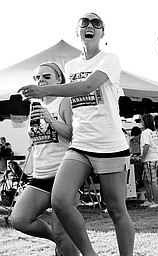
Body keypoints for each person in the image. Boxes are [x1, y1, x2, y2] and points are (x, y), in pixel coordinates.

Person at [19, 12, 135, 256]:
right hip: (80, 144)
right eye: (84, 23)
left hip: (109, 145)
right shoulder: (71, 66)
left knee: (116, 210)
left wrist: (44, 89)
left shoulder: (110, 58)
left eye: (96, 23)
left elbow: (88, 86)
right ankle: (89, 254)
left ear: (103, 33)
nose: (90, 26)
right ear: (78, 31)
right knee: (60, 202)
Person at [11, 61, 79, 256]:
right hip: (40, 175)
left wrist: (50, 119)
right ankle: (57, 240)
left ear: (59, 79)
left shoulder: (65, 101)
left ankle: (62, 240)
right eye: (38, 78)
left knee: (63, 232)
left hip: (64, 174)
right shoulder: (35, 105)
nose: (41, 81)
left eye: (46, 77)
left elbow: (73, 135)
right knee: (19, 219)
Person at [139, 114, 158, 208]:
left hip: (150, 159)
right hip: (157, 157)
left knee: (153, 180)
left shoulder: (145, 133)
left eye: (142, 121)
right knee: (145, 179)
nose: (141, 123)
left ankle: (156, 202)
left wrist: (143, 157)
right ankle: (149, 199)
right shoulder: (156, 132)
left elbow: (146, 146)